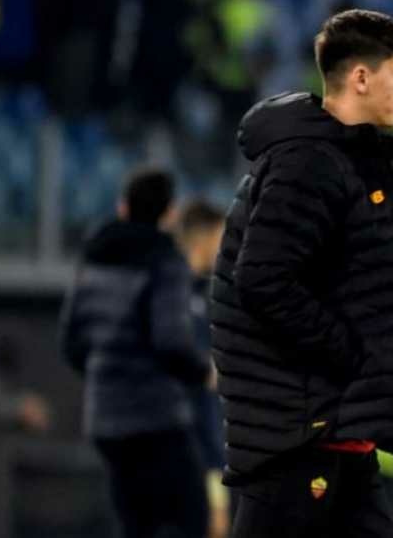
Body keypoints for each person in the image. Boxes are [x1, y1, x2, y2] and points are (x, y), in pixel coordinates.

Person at [209, 9, 393, 538]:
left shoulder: (352, 159)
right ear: (361, 77)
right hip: (300, 435)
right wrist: (351, 351)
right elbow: (262, 279)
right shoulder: (307, 163)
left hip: (341, 431)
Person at [59, 167, 211, 538]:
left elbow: (72, 342)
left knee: (133, 523)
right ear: (169, 213)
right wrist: (203, 372)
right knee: (193, 515)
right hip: (155, 416)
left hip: (105, 417)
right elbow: (171, 341)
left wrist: (106, 374)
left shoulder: (94, 257)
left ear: (122, 206)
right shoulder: (165, 260)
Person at [176, 199, 230, 538]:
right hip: (183, 455)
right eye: (221, 236)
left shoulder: (199, 297)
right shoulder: (175, 299)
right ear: (205, 237)